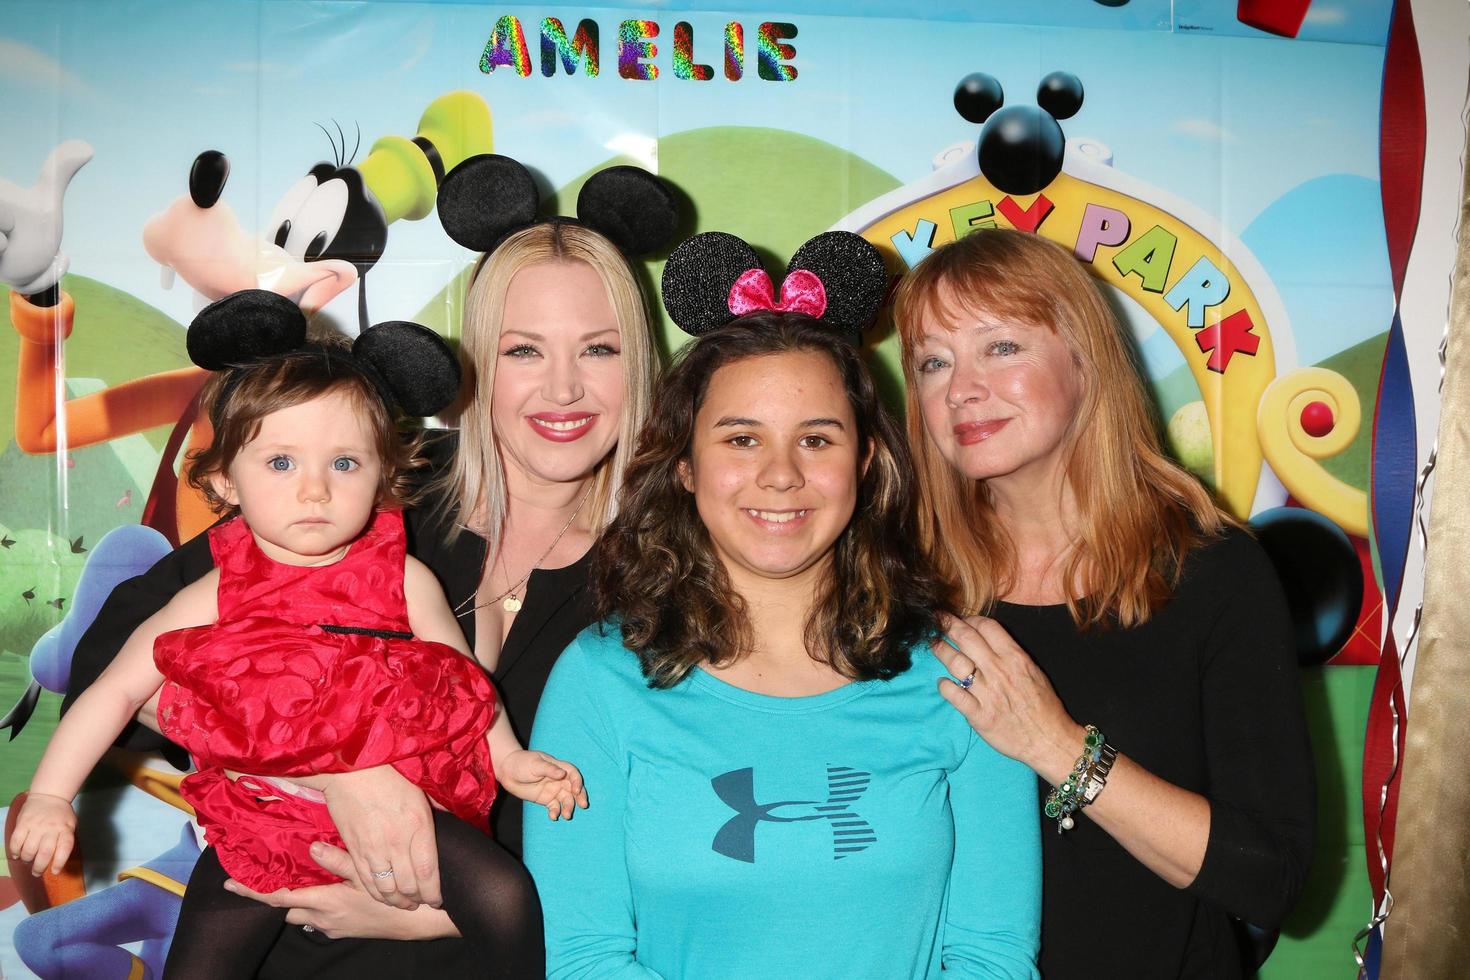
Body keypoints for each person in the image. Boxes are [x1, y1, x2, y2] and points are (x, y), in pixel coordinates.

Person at [59, 203, 668, 975]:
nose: (563, 388)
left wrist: (440, 920)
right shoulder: (360, 486)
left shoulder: (666, 568)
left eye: (599, 349)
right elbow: (112, 665)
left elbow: (668, 834)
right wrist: (336, 766)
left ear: (638, 363)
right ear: (476, 360)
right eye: (523, 350)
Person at [11, 323, 590, 978]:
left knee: (506, 896)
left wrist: (509, 760)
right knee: (202, 960)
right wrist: (52, 797)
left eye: (344, 463)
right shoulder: (217, 589)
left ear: (383, 477)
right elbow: (114, 688)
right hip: (263, 820)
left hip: (410, 811)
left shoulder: (405, 578)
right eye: (281, 462)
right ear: (226, 481)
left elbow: (460, 688)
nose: (315, 490)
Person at [525, 312, 1041, 979]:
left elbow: (992, 959)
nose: (780, 474)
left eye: (817, 440)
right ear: (684, 466)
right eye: (742, 439)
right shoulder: (597, 681)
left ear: (865, 460)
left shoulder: (963, 673)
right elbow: (584, 961)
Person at [893, 227, 1315, 978]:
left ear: (1085, 362)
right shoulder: (901, 580)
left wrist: (1056, 746)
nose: (961, 389)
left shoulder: (1212, 572)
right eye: (933, 362)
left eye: (1001, 347)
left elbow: (1269, 875)